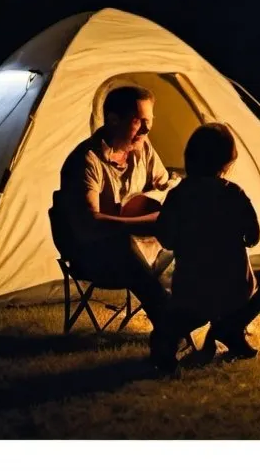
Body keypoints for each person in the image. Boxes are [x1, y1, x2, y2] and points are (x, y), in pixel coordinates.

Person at [150, 122, 260, 373]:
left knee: (173, 315)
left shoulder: (178, 196)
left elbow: (165, 238)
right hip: (234, 292)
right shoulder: (234, 194)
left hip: (191, 293)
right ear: (226, 161)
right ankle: (230, 326)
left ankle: (173, 342)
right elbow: (253, 237)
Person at [56, 84, 174, 343]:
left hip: (143, 250)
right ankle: (168, 318)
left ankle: (219, 304)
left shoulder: (142, 148)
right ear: (113, 120)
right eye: (139, 122)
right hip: (93, 255)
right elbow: (89, 224)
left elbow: (166, 185)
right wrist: (145, 223)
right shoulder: (86, 160)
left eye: (149, 122)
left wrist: (155, 203)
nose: (146, 129)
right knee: (121, 243)